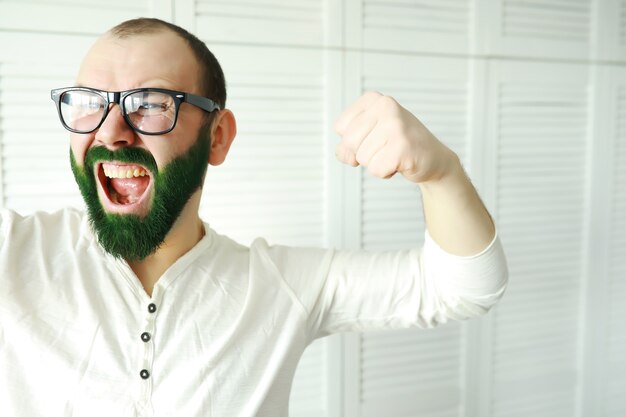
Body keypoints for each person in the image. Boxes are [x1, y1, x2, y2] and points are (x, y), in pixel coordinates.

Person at [0, 17, 507, 417]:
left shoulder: (279, 286)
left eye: (150, 104)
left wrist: (442, 172)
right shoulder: (15, 251)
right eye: (89, 102)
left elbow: (464, 286)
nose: (111, 131)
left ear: (217, 136)